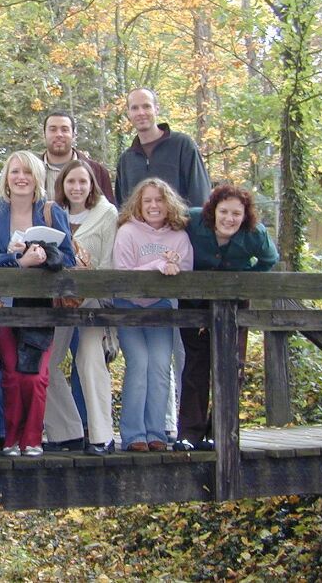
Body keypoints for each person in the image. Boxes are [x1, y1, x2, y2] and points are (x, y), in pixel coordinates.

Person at [0, 151, 75, 456]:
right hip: (4, 305)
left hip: (41, 308)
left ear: (37, 178)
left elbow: (69, 259)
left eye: (27, 172)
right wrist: (17, 259)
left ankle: (32, 439)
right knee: (11, 375)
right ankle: (11, 439)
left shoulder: (51, 211)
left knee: (35, 376)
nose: (21, 178)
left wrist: (44, 255)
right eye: (14, 172)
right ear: (6, 178)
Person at [176, 184, 279, 451]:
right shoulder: (194, 220)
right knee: (195, 367)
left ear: (245, 215)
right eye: (224, 211)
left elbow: (269, 259)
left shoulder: (255, 234)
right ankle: (189, 434)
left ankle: (220, 431)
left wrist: (243, 280)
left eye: (236, 213)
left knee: (232, 366)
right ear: (213, 210)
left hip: (233, 305)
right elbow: (169, 238)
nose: (229, 219)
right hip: (194, 301)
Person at [113, 178, 193, 452]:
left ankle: (156, 432)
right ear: (138, 203)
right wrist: (159, 263)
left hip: (160, 307)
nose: (153, 205)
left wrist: (174, 269)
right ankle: (134, 434)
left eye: (159, 200)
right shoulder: (127, 232)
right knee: (139, 363)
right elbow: (122, 273)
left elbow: (187, 273)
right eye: (147, 200)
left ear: (168, 204)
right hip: (127, 307)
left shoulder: (179, 237)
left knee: (160, 365)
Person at [52, 160, 118, 455]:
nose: (77, 188)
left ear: (92, 184)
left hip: (93, 298)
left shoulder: (106, 214)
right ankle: (66, 430)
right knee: (45, 361)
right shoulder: (52, 213)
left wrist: (88, 275)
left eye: (82, 182)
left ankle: (102, 436)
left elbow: (111, 261)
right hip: (58, 299)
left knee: (90, 358)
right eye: (71, 182)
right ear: (62, 185)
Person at [114, 88, 211, 208]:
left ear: (156, 109)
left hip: (181, 225)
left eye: (146, 106)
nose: (141, 113)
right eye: (135, 108)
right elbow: (122, 206)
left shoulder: (182, 145)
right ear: (128, 113)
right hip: (139, 226)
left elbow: (199, 194)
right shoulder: (126, 160)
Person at [40, 112, 114, 203]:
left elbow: (109, 213)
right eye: (53, 129)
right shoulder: (30, 172)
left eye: (65, 129)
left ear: (73, 135)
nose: (59, 134)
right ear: (44, 134)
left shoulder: (98, 172)